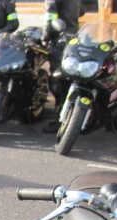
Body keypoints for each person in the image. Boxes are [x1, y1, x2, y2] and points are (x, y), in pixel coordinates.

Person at [42, 0, 81, 132]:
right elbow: (82, 10)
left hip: (59, 39)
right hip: (74, 37)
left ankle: (61, 119)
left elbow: (50, 17)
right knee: (71, 78)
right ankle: (74, 116)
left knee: (57, 80)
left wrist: (45, 36)